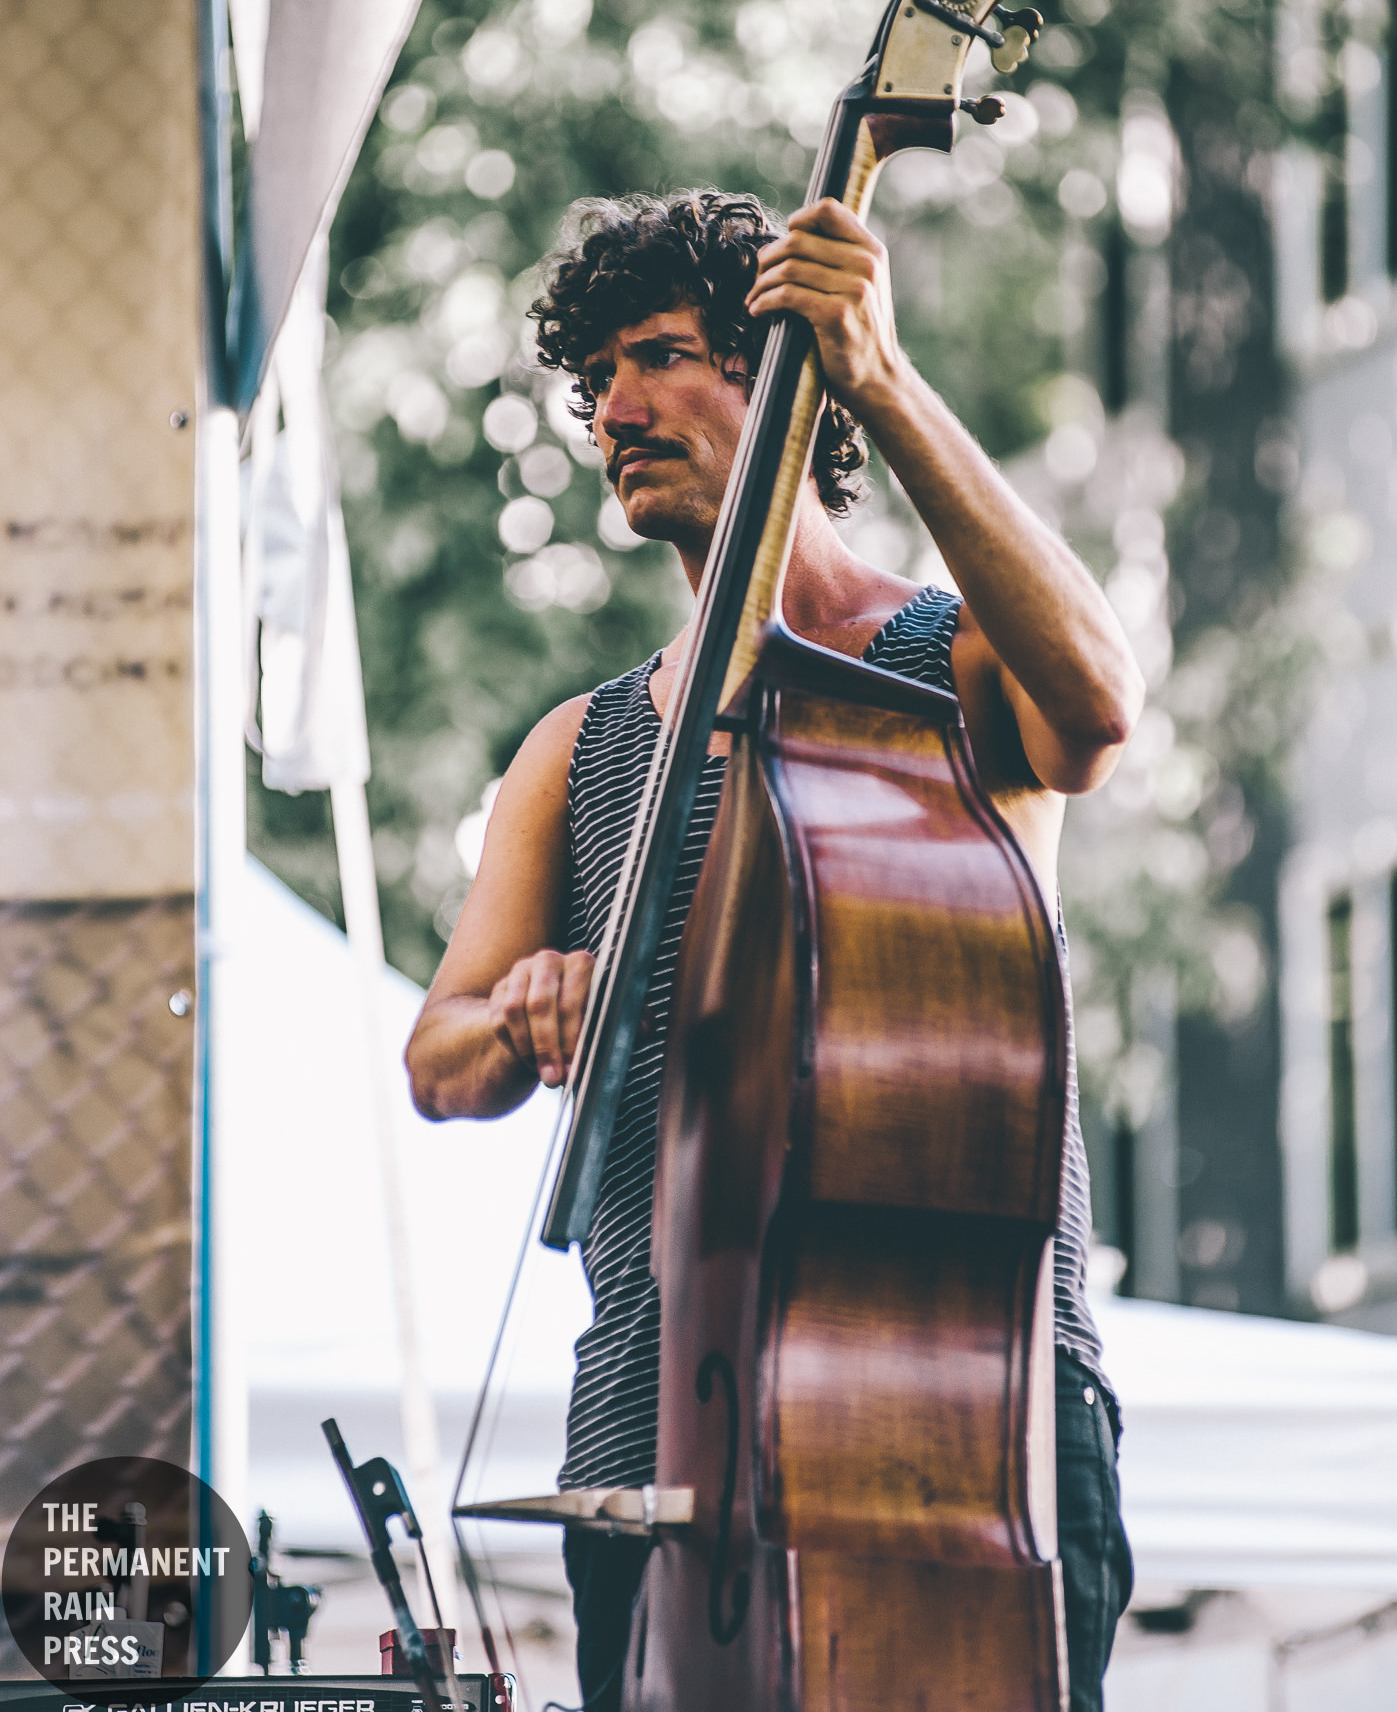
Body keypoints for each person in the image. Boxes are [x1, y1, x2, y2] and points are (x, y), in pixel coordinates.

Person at [406, 189, 1140, 1712]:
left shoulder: (944, 664)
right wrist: (528, 1010)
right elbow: (441, 1059)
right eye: (593, 376)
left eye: (661, 357)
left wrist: (885, 373)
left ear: (789, 381)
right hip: (655, 1420)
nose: (612, 409)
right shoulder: (583, 744)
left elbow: (1095, 712)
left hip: (960, 1394)